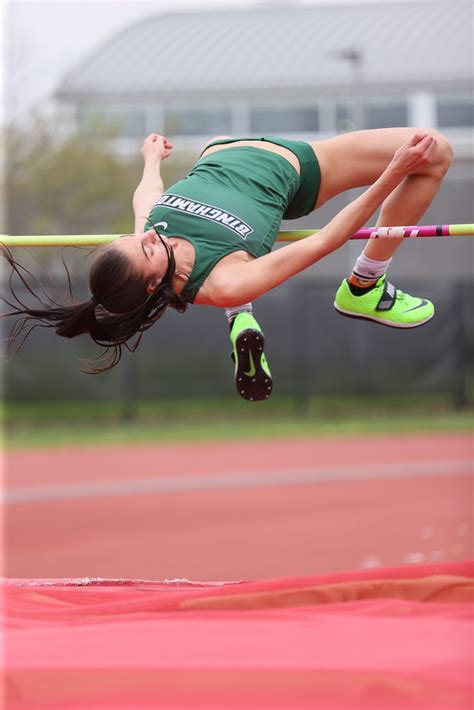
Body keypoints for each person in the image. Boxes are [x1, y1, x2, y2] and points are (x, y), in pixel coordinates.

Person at [3, 129, 451, 400]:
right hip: (298, 170)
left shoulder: (149, 238)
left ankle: (240, 323)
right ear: (151, 284)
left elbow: (144, 202)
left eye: (133, 237)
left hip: (224, 149)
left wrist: (150, 161)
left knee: (215, 258)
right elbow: (328, 238)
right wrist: (393, 172)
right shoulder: (223, 281)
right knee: (436, 152)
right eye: (145, 250)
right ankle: (365, 286)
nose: (146, 237)